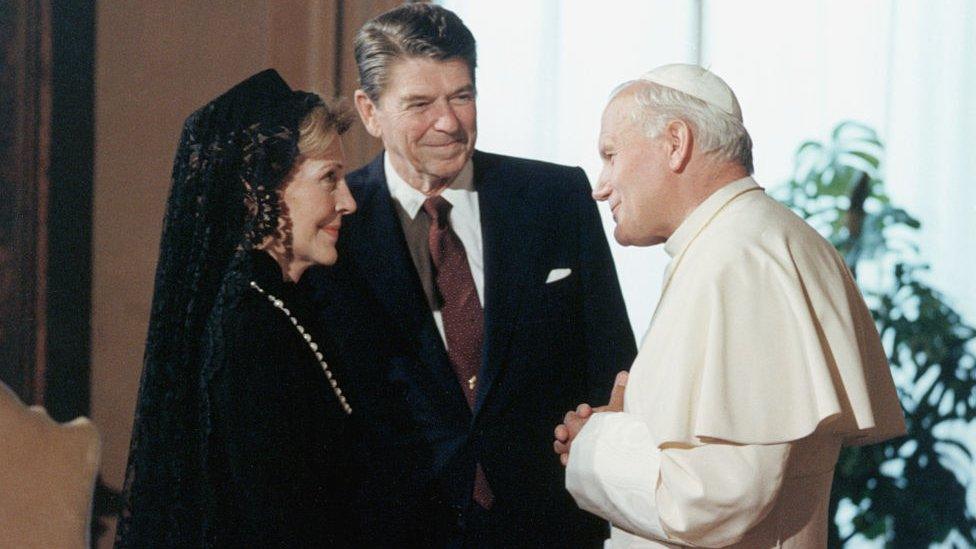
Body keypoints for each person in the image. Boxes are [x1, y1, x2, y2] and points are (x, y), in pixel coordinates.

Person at [305, 3, 636, 546]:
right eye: (419, 104)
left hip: (549, 528)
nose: (449, 122)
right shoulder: (337, 223)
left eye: (462, 95)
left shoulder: (555, 198)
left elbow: (613, 363)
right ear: (369, 111)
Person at [554, 64, 906, 547]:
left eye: (611, 155)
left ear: (676, 142)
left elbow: (716, 495)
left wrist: (593, 444)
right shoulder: (756, 239)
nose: (601, 185)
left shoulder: (737, 258)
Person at [115, 69, 358, 547]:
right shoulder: (248, 327)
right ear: (258, 192)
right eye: (328, 179)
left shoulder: (287, 305)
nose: (347, 201)